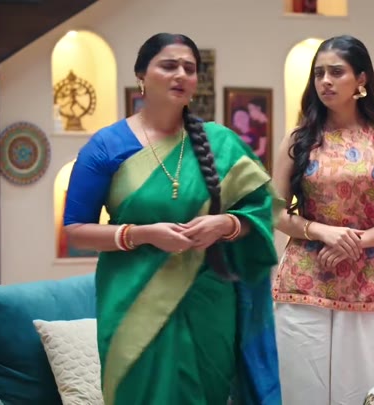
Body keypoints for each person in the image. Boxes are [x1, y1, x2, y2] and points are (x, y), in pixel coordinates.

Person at [62, 33, 282, 405]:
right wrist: (142, 234)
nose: (180, 74)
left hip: (208, 300)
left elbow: (262, 210)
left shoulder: (221, 143)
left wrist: (226, 225)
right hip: (132, 300)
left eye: (189, 69)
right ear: (141, 75)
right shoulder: (107, 145)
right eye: (168, 65)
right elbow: (76, 231)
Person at [271, 35, 374, 404]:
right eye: (319, 74)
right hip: (304, 277)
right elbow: (274, 212)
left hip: (366, 279)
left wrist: (353, 242)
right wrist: (322, 232)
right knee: (302, 390)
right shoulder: (298, 139)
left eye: (336, 72)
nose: (325, 82)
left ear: (361, 79)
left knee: (364, 391)